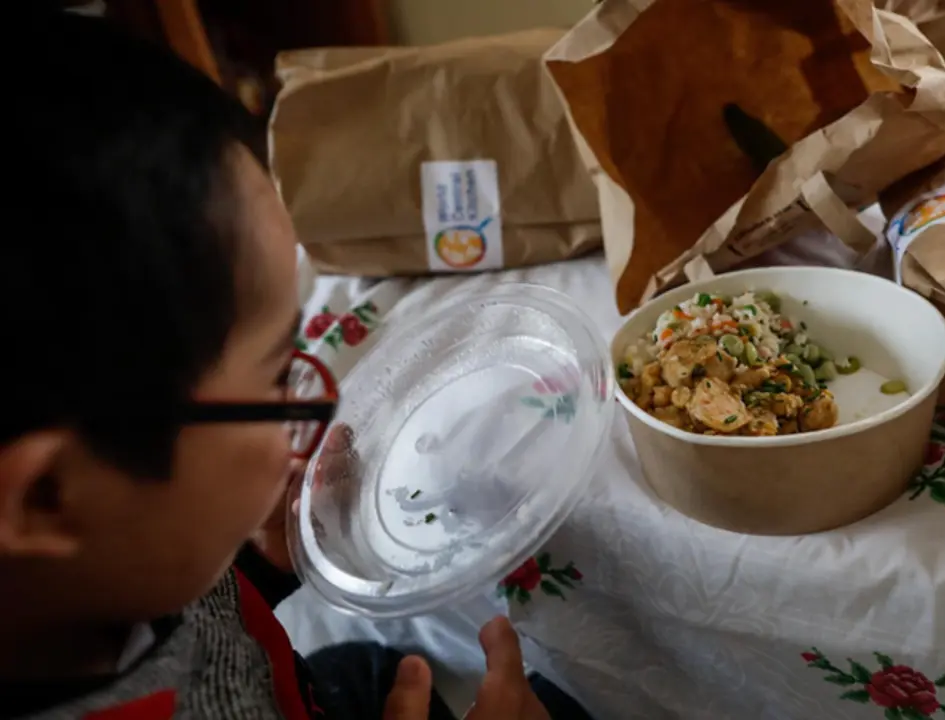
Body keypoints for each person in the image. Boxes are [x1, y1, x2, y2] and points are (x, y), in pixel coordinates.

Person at [0, 7, 591, 719]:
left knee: (372, 668)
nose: (307, 408)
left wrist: (253, 565)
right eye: (279, 380)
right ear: (49, 497)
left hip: (288, 680)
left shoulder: (102, 560)